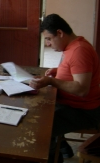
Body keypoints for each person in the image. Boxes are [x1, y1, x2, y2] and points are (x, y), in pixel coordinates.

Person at [29, 14, 100, 163]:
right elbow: (74, 70)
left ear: (60, 33)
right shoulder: (72, 47)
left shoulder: (79, 51)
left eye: (48, 39)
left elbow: (82, 89)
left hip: (84, 111)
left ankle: (52, 157)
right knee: (36, 108)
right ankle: (62, 149)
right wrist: (58, 70)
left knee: (40, 126)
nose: (47, 43)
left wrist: (51, 81)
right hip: (71, 104)